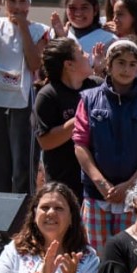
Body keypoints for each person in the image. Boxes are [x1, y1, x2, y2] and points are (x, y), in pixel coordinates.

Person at [73, 40, 137, 252]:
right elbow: (80, 144)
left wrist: (131, 185)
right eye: (121, 62)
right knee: (95, 255)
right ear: (109, 64)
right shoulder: (88, 99)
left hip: (133, 196)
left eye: (132, 64)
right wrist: (101, 183)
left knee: (130, 255)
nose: (126, 69)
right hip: (96, 194)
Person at [0, 0, 50, 193]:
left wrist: (24, 28)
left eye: (22, 1)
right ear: (4, 2)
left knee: (22, 164)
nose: (17, 6)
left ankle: (24, 208)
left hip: (23, 102)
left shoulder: (39, 30)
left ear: (29, 4)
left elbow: (34, 64)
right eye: (11, 0)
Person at [33, 38, 98, 199]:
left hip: (95, 182)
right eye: (81, 52)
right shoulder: (48, 95)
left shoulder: (97, 87)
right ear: (69, 64)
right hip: (63, 184)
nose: (87, 55)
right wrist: (80, 117)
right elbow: (46, 142)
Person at [54, 0, 116, 73]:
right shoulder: (56, 35)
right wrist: (60, 39)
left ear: (95, 10)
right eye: (72, 8)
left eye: (84, 8)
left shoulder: (109, 39)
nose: (78, 13)